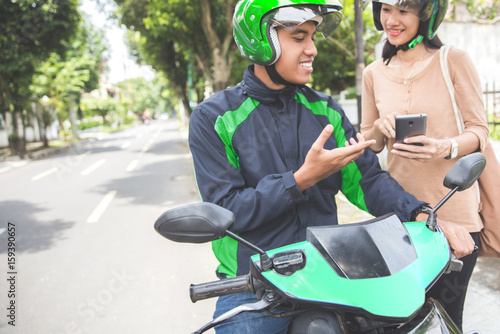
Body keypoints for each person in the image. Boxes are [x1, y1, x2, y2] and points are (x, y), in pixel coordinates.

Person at [188, 0, 475, 332]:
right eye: (299, 37)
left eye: (312, 37)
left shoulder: (325, 111)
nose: (312, 49)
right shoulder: (214, 118)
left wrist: (422, 214)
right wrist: (300, 180)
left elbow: (366, 179)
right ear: (260, 40)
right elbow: (226, 209)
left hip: (327, 279)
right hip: (253, 285)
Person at [360, 0, 489, 330]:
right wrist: (380, 128)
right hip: (400, 219)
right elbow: (369, 143)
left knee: (445, 321)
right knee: (402, 320)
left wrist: (445, 148)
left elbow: (479, 131)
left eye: (403, 11)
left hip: (453, 216)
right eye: (386, 9)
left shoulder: (452, 60)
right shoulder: (373, 72)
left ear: (426, 14)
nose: (392, 20)